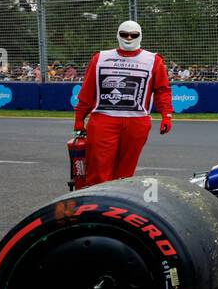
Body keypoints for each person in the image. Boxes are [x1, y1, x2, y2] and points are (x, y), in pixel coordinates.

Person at [73, 20, 173, 186]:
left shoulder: (153, 60)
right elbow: (87, 91)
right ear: (117, 35)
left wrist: (166, 115)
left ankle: (118, 206)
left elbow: (162, 90)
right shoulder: (100, 58)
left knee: (125, 174)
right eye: (124, 34)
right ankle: (96, 207)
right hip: (104, 119)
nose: (128, 38)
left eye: (133, 35)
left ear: (140, 36)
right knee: (98, 170)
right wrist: (79, 117)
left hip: (137, 121)